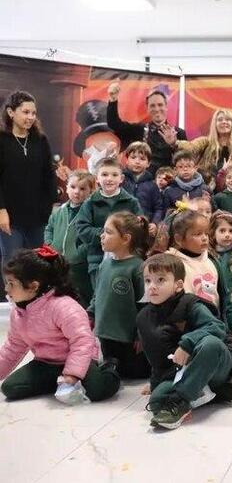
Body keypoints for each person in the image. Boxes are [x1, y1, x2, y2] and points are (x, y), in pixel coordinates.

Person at [138, 253, 232, 430]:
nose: (152, 287)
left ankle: (180, 403)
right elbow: (156, 357)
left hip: (219, 359)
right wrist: (154, 383)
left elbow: (216, 328)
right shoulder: (143, 317)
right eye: (148, 281)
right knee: (157, 401)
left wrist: (187, 343)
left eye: (160, 280)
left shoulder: (190, 304)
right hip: (183, 371)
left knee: (210, 344)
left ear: (178, 285)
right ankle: (216, 391)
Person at [0, 247, 120, 402]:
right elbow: (13, 347)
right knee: (10, 388)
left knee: (96, 390)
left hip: (80, 358)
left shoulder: (64, 307)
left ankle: (109, 367)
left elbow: (82, 342)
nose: (6, 288)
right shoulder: (18, 313)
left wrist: (73, 373)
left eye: (11, 283)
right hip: (46, 362)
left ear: (34, 286)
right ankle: (58, 381)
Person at [164, 209, 232, 342]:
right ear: (178, 239)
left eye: (206, 233)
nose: (204, 237)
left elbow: (225, 298)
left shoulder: (212, 260)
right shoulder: (171, 263)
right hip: (187, 333)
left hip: (215, 328)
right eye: (197, 234)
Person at [90, 212, 151, 379]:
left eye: (108, 232)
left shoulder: (138, 267)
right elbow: (98, 293)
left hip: (128, 337)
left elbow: (146, 305)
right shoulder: (105, 264)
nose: (102, 236)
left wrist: (141, 334)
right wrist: (90, 313)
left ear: (125, 239)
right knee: (111, 368)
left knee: (133, 373)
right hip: (106, 333)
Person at [0, 91, 58, 261]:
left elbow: (48, 175)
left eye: (33, 113)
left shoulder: (40, 140)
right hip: (9, 218)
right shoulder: (2, 140)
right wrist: (1, 210)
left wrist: (53, 206)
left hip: (39, 217)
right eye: (26, 112)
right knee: (13, 263)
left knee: (37, 264)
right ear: (11, 112)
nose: (31, 117)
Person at [74, 157, 143, 288]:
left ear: (121, 179)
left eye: (114, 174)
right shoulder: (90, 203)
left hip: (127, 259)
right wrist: (109, 235)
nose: (109, 179)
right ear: (97, 179)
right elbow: (82, 229)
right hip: (97, 259)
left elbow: (139, 227)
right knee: (100, 295)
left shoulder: (132, 202)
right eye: (104, 174)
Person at [107, 81, 187, 175]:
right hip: (144, 183)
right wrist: (113, 99)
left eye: (160, 105)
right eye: (152, 106)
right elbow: (115, 124)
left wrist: (174, 144)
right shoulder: (139, 130)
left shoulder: (179, 133)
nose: (157, 109)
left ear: (166, 107)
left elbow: (185, 161)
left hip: (169, 183)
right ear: (148, 109)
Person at [44, 170, 96, 307]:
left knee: (82, 296)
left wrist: (80, 253)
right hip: (58, 262)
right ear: (66, 188)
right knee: (61, 296)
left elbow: (91, 237)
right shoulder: (59, 210)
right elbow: (49, 228)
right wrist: (50, 245)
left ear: (91, 191)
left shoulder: (91, 212)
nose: (77, 192)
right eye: (73, 187)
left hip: (79, 265)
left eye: (82, 188)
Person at [176, 109, 232, 191]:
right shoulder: (205, 142)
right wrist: (174, 142)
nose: (224, 122)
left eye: (228, 119)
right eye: (220, 119)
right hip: (206, 191)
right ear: (214, 124)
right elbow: (190, 147)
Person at [121, 142, 164, 223]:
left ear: (148, 163)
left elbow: (158, 208)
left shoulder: (152, 185)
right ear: (126, 160)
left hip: (144, 226)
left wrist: (154, 223)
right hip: (122, 225)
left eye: (142, 159)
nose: (137, 162)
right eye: (133, 157)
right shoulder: (120, 180)